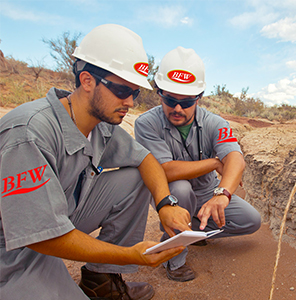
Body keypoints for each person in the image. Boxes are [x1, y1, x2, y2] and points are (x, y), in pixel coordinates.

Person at [0, 24, 191, 300]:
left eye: (135, 93)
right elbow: (42, 235)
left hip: (52, 222)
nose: (130, 102)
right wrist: (129, 255)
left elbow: (146, 159)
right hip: (15, 247)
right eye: (122, 90)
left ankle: (101, 282)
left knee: (136, 178)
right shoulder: (30, 132)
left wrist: (165, 204)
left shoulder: (100, 124)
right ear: (87, 81)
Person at [134, 46, 261, 282]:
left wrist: (222, 193)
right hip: (170, 194)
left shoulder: (215, 122)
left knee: (250, 221)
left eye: (187, 101)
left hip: (205, 191)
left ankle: (193, 233)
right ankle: (174, 259)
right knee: (181, 187)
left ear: (199, 97)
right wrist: (214, 162)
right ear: (159, 92)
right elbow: (166, 170)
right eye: (170, 99)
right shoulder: (145, 124)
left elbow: (235, 159)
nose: (178, 108)